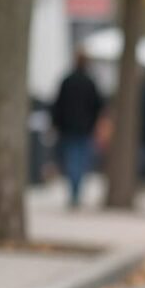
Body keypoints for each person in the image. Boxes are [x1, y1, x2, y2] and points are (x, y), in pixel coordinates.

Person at [50, 48, 103, 208]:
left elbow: (58, 105)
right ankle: (76, 191)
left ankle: (74, 192)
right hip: (84, 128)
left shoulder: (67, 80)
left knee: (71, 160)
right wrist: (93, 123)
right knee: (81, 161)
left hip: (68, 128)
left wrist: (56, 123)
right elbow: (98, 106)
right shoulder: (90, 82)